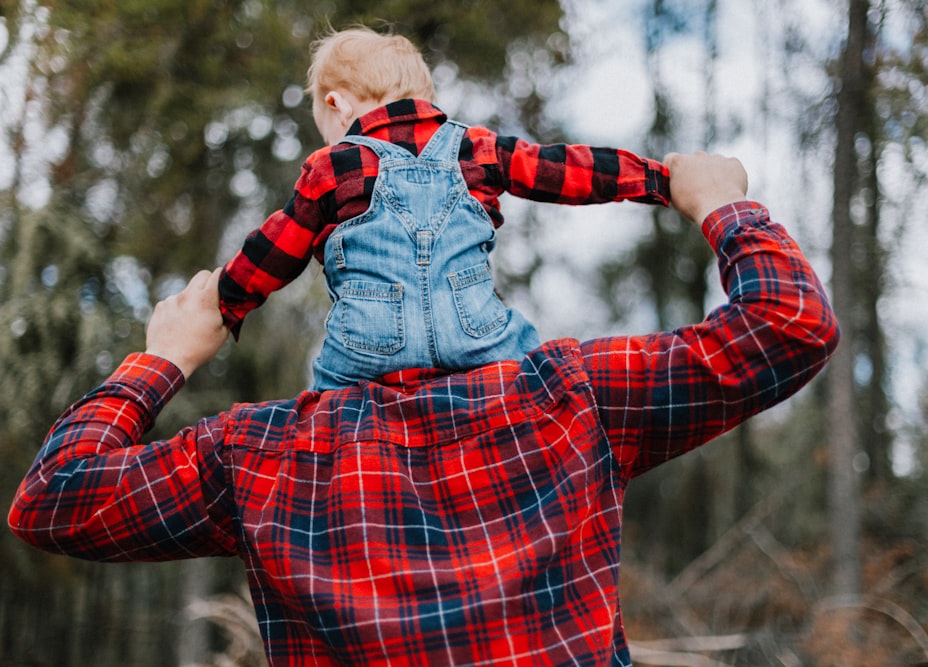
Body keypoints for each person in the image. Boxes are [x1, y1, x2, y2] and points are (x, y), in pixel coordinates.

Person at [8, 152, 839, 667]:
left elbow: (53, 498)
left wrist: (163, 359)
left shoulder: (261, 454)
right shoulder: (572, 396)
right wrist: (714, 202)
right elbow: (790, 325)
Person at [219, 26, 673, 390]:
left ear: (337, 105)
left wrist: (225, 301)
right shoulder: (475, 149)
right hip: (483, 346)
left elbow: (273, 251)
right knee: (546, 383)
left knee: (320, 419)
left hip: (364, 358)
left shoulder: (331, 167)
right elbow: (566, 170)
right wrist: (654, 178)